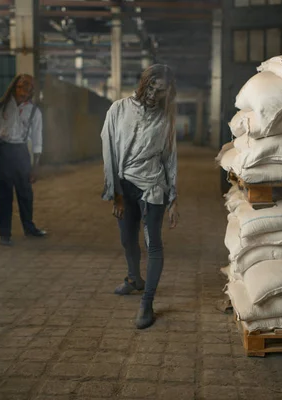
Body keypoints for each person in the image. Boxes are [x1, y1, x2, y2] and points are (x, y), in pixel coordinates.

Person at [101, 64, 179, 330]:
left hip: (152, 187)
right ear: (143, 83)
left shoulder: (166, 117)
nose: (154, 95)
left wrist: (173, 198)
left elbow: (170, 157)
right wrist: (115, 194)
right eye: (152, 88)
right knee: (127, 239)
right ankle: (134, 278)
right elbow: (108, 151)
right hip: (125, 186)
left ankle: (147, 302)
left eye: (161, 91)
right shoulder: (118, 109)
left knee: (153, 243)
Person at [0, 74, 47, 246]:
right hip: (3, 151)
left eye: (29, 86)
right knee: (4, 193)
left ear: (32, 91)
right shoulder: (0, 107)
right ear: (15, 86)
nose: (25, 89)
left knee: (25, 193)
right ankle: (4, 233)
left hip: (21, 151)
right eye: (22, 85)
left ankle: (29, 227)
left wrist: (36, 165)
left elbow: (37, 139)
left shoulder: (34, 111)